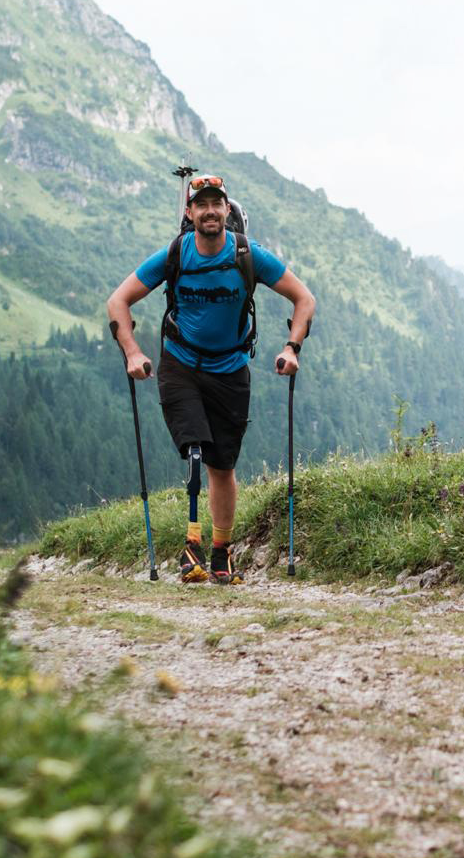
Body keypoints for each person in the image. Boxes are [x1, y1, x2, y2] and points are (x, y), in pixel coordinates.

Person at [106, 174, 315, 584]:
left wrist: (292, 348)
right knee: (195, 449)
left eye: (216, 203)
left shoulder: (247, 254)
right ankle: (191, 545)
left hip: (231, 369)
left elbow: (304, 298)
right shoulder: (175, 254)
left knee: (222, 465)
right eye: (201, 204)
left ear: (226, 208)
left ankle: (221, 552)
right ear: (190, 212)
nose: (209, 211)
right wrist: (132, 352)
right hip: (180, 364)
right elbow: (118, 301)